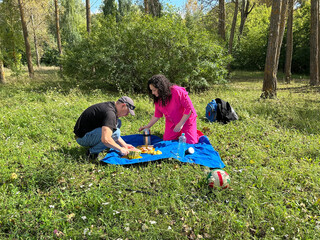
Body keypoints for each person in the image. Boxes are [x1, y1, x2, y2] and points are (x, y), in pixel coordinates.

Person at [139, 74, 198, 144]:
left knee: (191, 143)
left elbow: (189, 109)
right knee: (167, 142)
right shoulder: (158, 98)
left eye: (154, 90)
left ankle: (193, 133)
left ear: (161, 88)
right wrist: (148, 126)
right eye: (151, 90)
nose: (153, 93)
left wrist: (180, 124)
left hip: (186, 120)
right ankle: (180, 133)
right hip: (172, 122)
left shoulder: (177, 91)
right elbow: (157, 115)